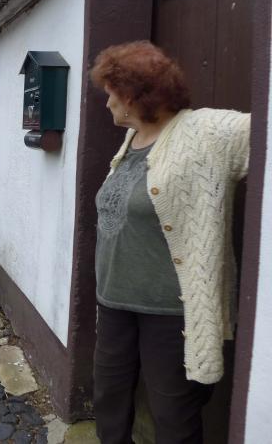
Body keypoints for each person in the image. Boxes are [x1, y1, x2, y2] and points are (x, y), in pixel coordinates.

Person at [89, 41, 250, 443]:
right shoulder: (132, 141)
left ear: (131, 95)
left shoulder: (204, 132)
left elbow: (259, 131)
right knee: (109, 403)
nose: (107, 103)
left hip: (168, 313)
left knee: (173, 416)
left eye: (110, 93)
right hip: (114, 304)